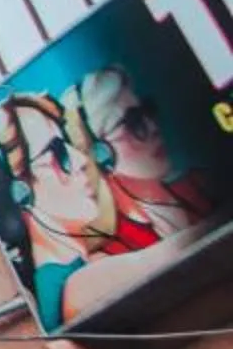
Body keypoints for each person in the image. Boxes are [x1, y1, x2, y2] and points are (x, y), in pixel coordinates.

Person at [0, 90, 174, 328]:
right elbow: (177, 252)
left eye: (68, 145)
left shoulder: (83, 263)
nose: (82, 160)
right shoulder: (73, 286)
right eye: (58, 153)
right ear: (21, 194)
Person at [80, 65, 223, 243]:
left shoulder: (202, 184)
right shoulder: (113, 244)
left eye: (146, 112)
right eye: (133, 122)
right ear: (102, 155)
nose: (153, 128)